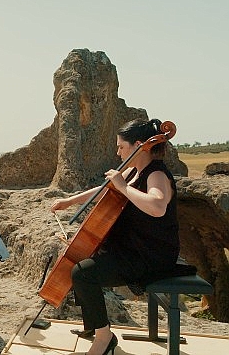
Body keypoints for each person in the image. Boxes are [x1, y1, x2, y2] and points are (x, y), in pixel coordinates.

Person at [50, 118, 180, 355]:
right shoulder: (134, 170)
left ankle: (105, 337)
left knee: (83, 273)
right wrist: (70, 201)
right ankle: (93, 327)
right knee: (81, 260)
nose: (117, 152)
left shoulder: (157, 174)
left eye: (121, 146)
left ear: (139, 145)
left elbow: (158, 206)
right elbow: (104, 190)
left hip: (151, 254)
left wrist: (123, 187)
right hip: (133, 248)